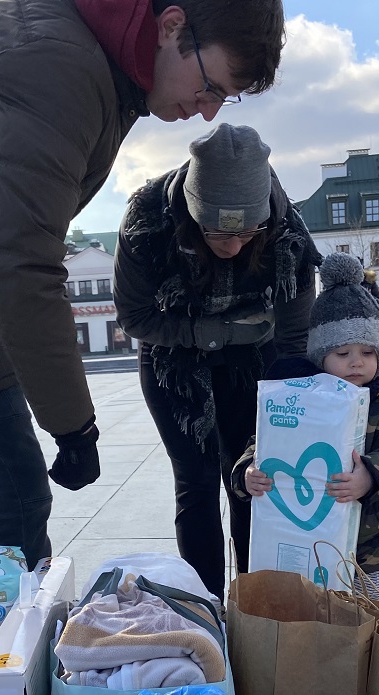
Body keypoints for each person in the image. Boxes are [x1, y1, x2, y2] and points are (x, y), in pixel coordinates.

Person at [0, 0, 286, 569]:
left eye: (225, 98)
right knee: (11, 499)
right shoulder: (60, 64)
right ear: (171, 28)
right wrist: (72, 424)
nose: (209, 110)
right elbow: (22, 259)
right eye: (212, 85)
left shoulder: (102, 63)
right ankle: (0, 653)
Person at [114, 123, 320, 597]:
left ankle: (254, 604)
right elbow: (135, 316)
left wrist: (295, 408)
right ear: (191, 211)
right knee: (197, 484)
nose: (232, 247)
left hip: (255, 359)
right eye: (216, 233)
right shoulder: (147, 220)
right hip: (172, 361)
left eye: (248, 233)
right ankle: (204, 606)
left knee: (253, 483)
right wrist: (214, 332)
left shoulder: (286, 232)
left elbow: (293, 336)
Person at [231, 252, 379, 600]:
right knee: (311, 604)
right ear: (321, 358)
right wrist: (248, 472)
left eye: (367, 352)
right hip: (309, 538)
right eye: (342, 354)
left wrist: (371, 474)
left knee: (363, 604)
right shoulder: (300, 401)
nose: (356, 362)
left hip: (370, 542)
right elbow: (263, 441)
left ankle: (367, 651)